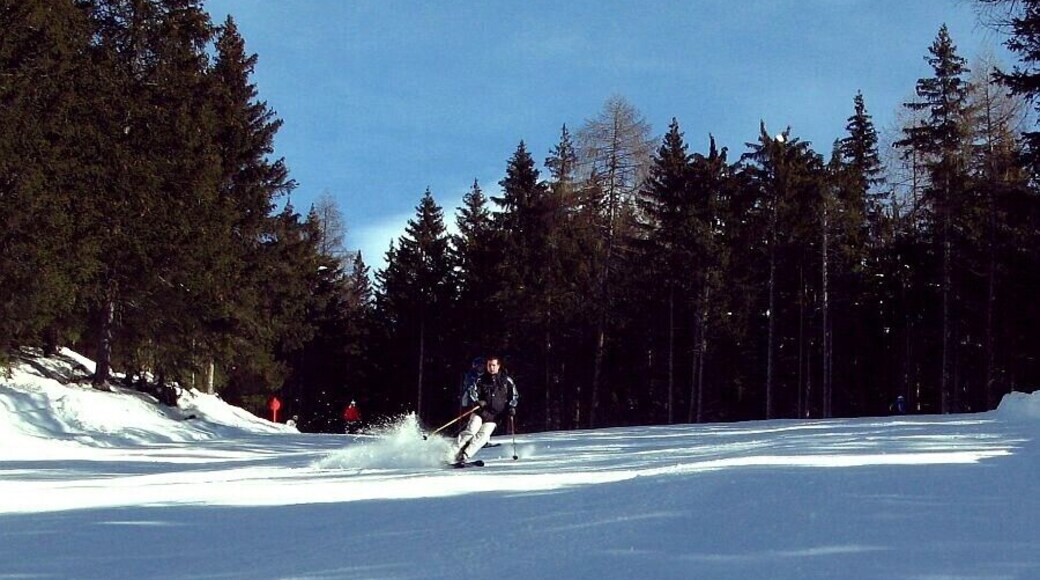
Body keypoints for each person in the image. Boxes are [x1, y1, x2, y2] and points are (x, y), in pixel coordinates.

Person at [450, 356, 518, 466]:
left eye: (493, 365)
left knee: (483, 436)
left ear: (498, 366)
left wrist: (511, 407)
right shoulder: (481, 379)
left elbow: (514, 396)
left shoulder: (507, 381)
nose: (491, 368)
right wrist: (478, 402)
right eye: (489, 365)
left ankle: (465, 455)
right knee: (471, 430)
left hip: (495, 416)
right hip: (480, 412)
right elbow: (473, 392)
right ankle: (451, 453)